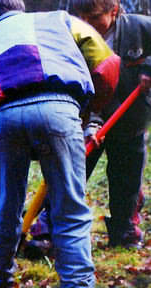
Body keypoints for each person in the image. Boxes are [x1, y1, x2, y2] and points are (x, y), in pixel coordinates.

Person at [0, 0, 121, 288]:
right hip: (59, 107)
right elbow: (107, 64)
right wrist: (88, 111)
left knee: (1, 210)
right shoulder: (60, 20)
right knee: (70, 207)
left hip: (3, 114)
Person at [72, 0, 151, 249]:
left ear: (114, 11)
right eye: (82, 17)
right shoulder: (73, 32)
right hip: (88, 116)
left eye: (94, 18)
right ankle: (51, 227)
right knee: (71, 173)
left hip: (130, 118)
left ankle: (125, 230)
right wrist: (90, 122)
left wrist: (149, 68)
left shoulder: (140, 28)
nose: (86, 24)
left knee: (127, 178)